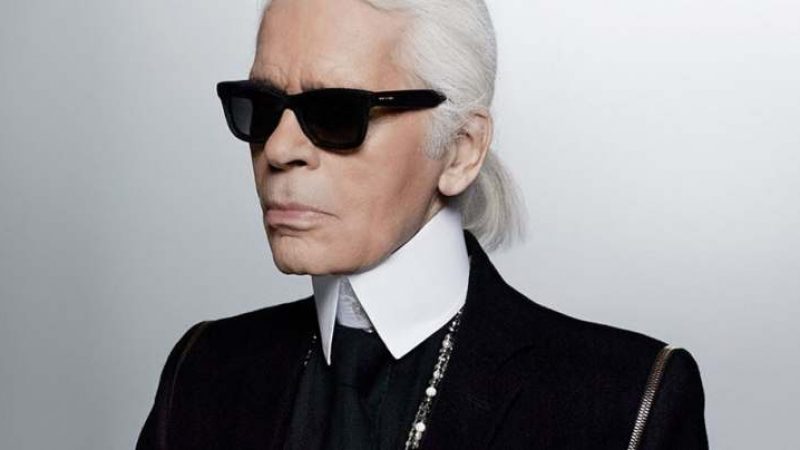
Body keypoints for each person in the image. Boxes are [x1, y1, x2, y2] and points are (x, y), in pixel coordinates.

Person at [136, 0, 709, 448]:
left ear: (461, 148)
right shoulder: (203, 371)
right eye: (261, 108)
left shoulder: (627, 403)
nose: (280, 149)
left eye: (337, 113)